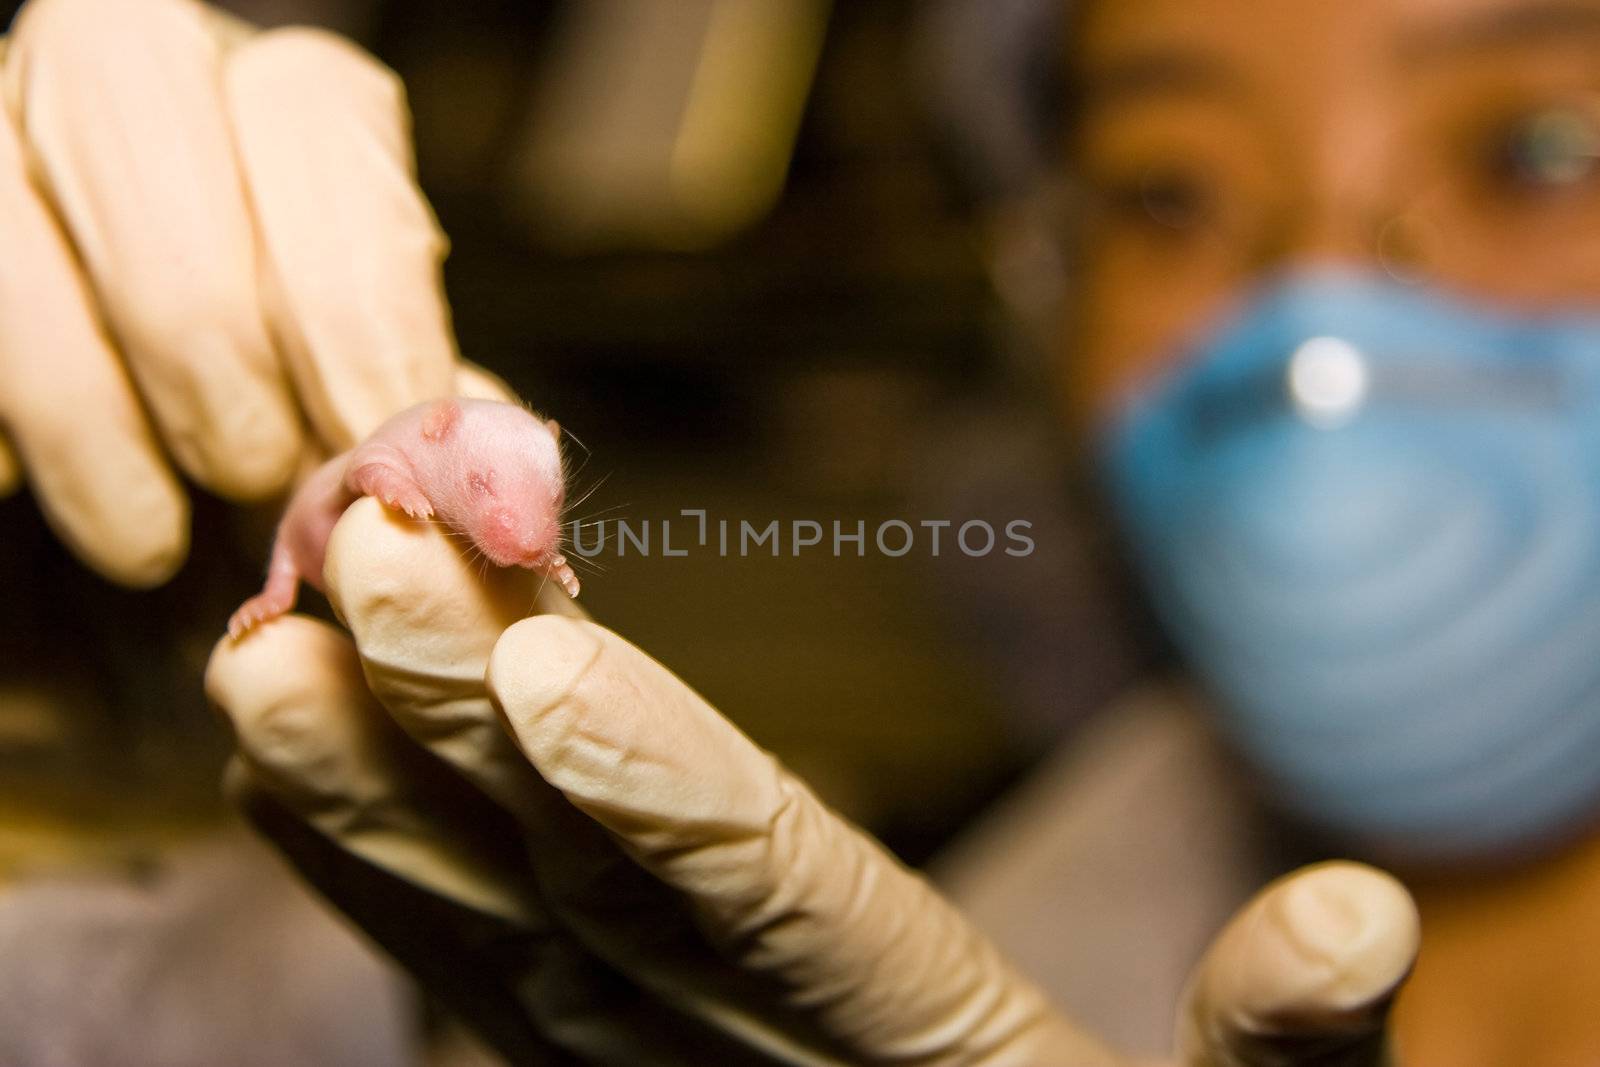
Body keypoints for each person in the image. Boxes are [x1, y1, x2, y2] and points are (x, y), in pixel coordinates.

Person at [7, 0, 1589, 1062]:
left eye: (1539, 148)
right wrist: (68, 778)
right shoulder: (993, 908)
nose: (1316, 309)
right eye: (1163, 192)